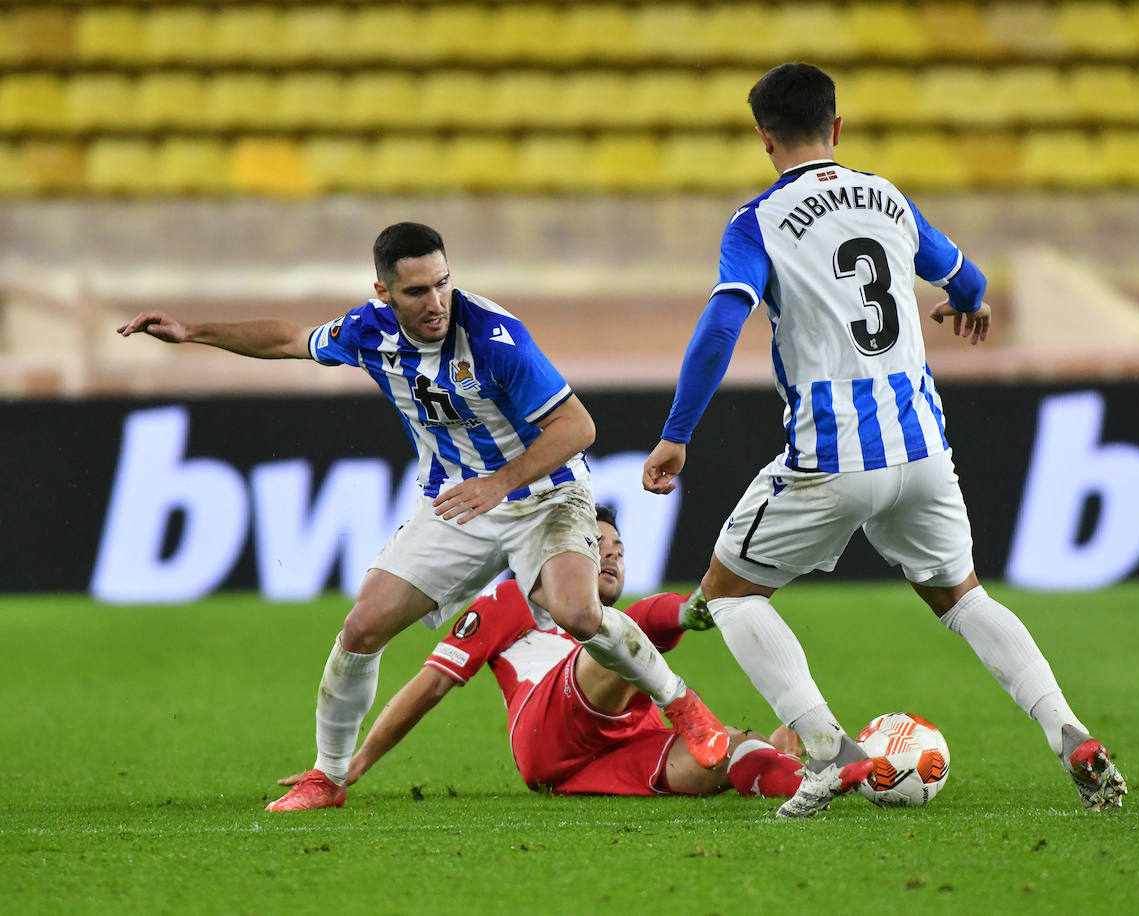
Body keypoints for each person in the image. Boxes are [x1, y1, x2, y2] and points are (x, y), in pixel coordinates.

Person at [641, 63, 1127, 818]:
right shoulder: (887, 198)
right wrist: (971, 304)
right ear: (836, 128)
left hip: (833, 452)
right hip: (924, 446)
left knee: (730, 597)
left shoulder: (758, 221)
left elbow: (721, 326)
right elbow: (964, 277)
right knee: (964, 599)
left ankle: (830, 753)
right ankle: (1070, 732)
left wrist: (676, 436)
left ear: (766, 139)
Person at [117, 221, 729, 812]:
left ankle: (685, 708)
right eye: (417, 290)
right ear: (383, 292)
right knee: (361, 629)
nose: (436, 301)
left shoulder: (494, 338)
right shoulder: (366, 330)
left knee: (577, 612)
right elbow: (286, 340)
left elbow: (578, 426)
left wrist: (502, 482)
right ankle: (328, 777)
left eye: (443, 283)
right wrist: (192, 331)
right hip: (456, 501)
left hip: (544, 492)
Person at [278, 506, 804, 800]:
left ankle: (810, 780)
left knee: (733, 753)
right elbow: (429, 685)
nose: (613, 555)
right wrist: (352, 765)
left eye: (619, 549)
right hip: (548, 729)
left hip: (613, 748)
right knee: (625, 628)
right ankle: (696, 608)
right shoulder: (510, 600)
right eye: (598, 545)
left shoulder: (618, 636)